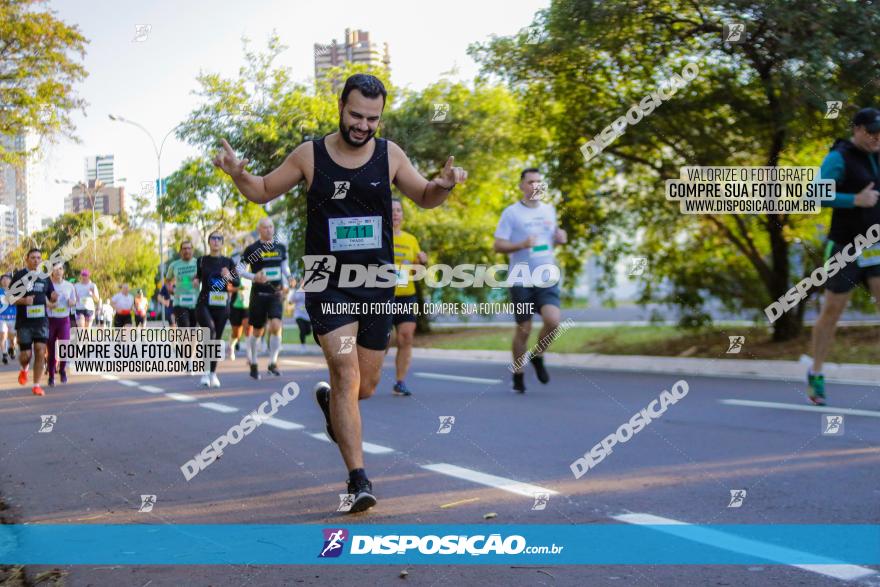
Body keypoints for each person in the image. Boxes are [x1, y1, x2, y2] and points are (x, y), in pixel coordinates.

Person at [214, 73, 467, 513]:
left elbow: (425, 196)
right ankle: (358, 479)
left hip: (376, 284)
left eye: (372, 118)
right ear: (340, 107)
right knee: (348, 373)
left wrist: (443, 183)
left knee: (363, 387)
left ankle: (333, 405)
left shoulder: (390, 156)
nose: (363, 125)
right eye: (356, 115)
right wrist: (239, 174)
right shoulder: (309, 156)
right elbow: (263, 190)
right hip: (327, 281)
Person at [808, 107, 880, 405]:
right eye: (872, 131)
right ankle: (816, 373)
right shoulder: (839, 157)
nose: (878, 136)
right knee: (832, 312)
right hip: (845, 247)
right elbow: (814, 194)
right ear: (858, 130)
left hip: (875, 247)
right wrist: (855, 199)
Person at [493, 168, 567, 394]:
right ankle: (518, 373)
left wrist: (560, 238)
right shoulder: (511, 213)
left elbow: (551, 238)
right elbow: (498, 245)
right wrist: (521, 245)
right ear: (522, 186)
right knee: (524, 329)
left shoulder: (549, 210)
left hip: (546, 275)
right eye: (531, 182)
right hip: (521, 279)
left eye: (539, 182)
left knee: (553, 321)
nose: (536, 186)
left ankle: (537, 355)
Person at [238, 217, 289, 380]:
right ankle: (253, 362)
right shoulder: (252, 249)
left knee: (276, 325)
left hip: (276, 293)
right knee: (258, 331)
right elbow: (239, 270)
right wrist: (254, 277)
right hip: (259, 295)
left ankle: (272, 363)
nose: (269, 230)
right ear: (259, 230)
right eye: (265, 227)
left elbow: (285, 269)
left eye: (271, 227)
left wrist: (289, 280)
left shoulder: (280, 248)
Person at [387, 198, 428, 396]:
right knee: (382, 341)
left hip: (406, 296)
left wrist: (422, 262)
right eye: (391, 210)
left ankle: (400, 381)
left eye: (398, 210)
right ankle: (367, 377)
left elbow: (417, 272)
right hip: (382, 297)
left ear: (402, 215)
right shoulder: (379, 237)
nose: (395, 213)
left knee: (406, 337)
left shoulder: (411, 239)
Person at [195, 231, 239, 388]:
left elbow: (238, 282)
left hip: (221, 305)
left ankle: (212, 373)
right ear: (209, 242)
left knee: (216, 338)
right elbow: (198, 276)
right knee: (210, 332)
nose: (216, 241)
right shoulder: (201, 260)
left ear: (222, 243)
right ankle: (205, 372)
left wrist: (229, 276)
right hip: (204, 303)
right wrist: (195, 280)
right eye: (213, 238)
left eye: (219, 238)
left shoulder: (228, 261)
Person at [11, 248, 57, 396]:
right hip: (24, 322)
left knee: (40, 350)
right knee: (26, 355)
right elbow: (9, 298)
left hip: (41, 321)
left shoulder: (44, 277)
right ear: (27, 259)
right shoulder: (19, 276)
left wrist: (54, 296)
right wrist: (24, 300)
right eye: (33, 258)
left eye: (38, 258)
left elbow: (51, 294)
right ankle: (24, 369)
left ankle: (36, 385)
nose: (36, 260)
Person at [47, 263, 77, 386]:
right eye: (55, 269)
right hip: (50, 320)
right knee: (51, 350)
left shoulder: (69, 286)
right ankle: (51, 375)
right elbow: (43, 300)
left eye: (60, 269)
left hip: (64, 320)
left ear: (63, 271)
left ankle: (62, 370)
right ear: (51, 272)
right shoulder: (48, 285)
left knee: (64, 347)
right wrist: (50, 303)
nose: (58, 271)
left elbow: (74, 301)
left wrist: (71, 302)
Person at [165, 241, 198, 328]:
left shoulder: (198, 263)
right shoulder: (174, 265)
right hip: (179, 302)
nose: (186, 250)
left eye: (189, 248)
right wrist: (170, 289)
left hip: (195, 302)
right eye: (184, 248)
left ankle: (191, 342)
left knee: (193, 330)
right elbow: (167, 281)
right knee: (184, 327)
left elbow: (204, 278)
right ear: (180, 251)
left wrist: (198, 279)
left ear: (192, 250)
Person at [229, 273, 251, 361]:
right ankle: (231, 346)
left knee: (248, 330)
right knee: (237, 333)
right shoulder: (234, 276)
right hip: (235, 306)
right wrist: (239, 288)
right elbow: (228, 288)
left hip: (247, 307)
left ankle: (249, 356)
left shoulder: (252, 275)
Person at [287, 277, 311, 351]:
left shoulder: (311, 291)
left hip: (307, 316)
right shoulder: (297, 291)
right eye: (302, 281)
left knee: (308, 332)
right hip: (298, 315)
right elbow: (290, 301)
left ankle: (304, 340)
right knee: (302, 329)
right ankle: (303, 346)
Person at [0, 274, 17, 363]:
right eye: (3, 279)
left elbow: (18, 302)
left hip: (13, 318)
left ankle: (12, 348)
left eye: (7, 279)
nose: (5, 280)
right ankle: (4, 354)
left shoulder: (15, 291)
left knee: (12, 338)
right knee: (3, 335)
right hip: (1, 318)